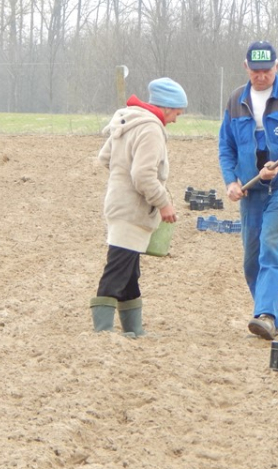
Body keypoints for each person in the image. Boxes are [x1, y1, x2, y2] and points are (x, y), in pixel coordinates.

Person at [218, 41, 278, 340]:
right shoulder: (236, 100)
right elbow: (226, 146)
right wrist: (231, 181)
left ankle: (265, 315)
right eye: (256, 70)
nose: (261, 76)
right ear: (246, 67)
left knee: (273, 251)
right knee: (251, 261)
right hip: (251, 190)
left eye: (267, 70)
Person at [89, 77, 187, 337]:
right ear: (167, 107)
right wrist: (164, 203)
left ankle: (134, 329)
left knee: (130, 271)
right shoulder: (151, 129)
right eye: (177, 112)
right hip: (132, 211)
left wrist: (121, 181)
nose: (177, 118)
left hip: (118, 204)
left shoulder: (127, 121)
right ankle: (102, 333)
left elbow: (105, 158)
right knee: (118, 269)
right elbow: (143, 176)